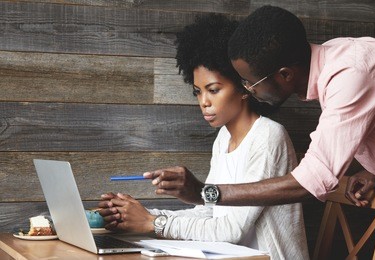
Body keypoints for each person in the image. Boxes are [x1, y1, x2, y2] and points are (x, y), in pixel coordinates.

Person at [99, 13, 310, 259]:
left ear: (244, 88)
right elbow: (209, 213)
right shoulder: (223, 139)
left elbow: (232, 230)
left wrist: (153, 223)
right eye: (197, 92)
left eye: (213, 90)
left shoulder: (268, 136)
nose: (204, 102)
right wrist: (138, 214)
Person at [144, 5, 375, 207]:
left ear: (285, 75)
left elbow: (310, 180)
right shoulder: (338, 59)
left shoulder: (350, 76)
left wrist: (203, 193)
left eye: (251, 83)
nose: (249, 90)